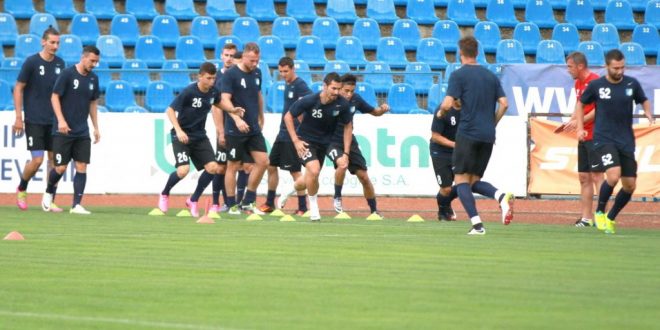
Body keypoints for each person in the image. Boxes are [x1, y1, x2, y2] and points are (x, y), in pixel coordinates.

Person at [436, 36, 514, 235]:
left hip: (468, 133)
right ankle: (499, 195)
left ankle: (477, 225)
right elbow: (504, 103)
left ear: (460, 54)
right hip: (487, 135)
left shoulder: (459, 75)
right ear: (477, 53)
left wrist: (441, 113)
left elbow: (446, 103)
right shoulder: (490, 75)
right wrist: (492, 123)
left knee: (461, 180)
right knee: (473, 181)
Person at [575, 49, 654, 234]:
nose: (620, 71)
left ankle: (610, 217)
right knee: (613, 174)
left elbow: (644, 100)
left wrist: (648, 112)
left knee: (630, 185)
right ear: (607, 66)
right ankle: (600, 211)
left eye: (622, 67)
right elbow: (581, 104)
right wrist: (580, 127)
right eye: (616, 68)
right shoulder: (596, 85)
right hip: (603, 138)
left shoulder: (631, 83)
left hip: (626, 140)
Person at [157, 62, 241, 216]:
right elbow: (170, 110)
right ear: (200, 76)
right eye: (208, 78)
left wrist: (232, 109)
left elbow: (219, 103)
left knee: (213, 168)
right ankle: (164, 193)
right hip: (182, 136)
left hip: (199, 136)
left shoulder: (213, 92)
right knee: (183, 171)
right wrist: (179, 130)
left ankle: (193, 200)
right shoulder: (189, 91)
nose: (211, 81)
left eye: (214, 78)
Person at [284, 72, 353, 221]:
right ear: (324, 86)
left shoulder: (343, 104)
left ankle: (288, 191)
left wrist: (346, 153)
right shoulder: (310, 100)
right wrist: (296, 141)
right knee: (314, 171)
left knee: (340, 165)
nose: (336, 92)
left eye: (338, 89)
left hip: (327, 143)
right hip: (306, 142)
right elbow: (288, 116)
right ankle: (314, 207)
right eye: (333, 88)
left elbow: (348, 126)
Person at [40, 45, 101, 214]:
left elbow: (93, 103)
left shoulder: (93, 79)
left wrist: (96, 127)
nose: (94, 64)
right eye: (92, 61)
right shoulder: (67, 74)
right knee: (60, 168)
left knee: (82, 166)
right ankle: (48, 193)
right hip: (63, 130)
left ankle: (76, 205)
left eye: (97, 62)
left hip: (82, 131)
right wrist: (61, 120)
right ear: (83, 57)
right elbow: (54, 97)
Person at [12, 26, 66, 212]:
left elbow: (61, 93)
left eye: (58, 43)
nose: (55, 46)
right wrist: (19, 116)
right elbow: (19, 88)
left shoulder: (60, 64)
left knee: (55, 162)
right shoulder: (31, 62)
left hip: (54, 121)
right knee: (37, 161)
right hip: (34, 119)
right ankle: (22, 188)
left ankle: (49, 199)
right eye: (52, 42)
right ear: (43, 42)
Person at [326, 73, 389, 218]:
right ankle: (337, 197)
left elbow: (375, 112)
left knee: (364, 177)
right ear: (339, 88)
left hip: (349, 140)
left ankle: (374, 211)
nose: (349, 94)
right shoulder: (329, 99)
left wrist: (382, 109)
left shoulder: (356, 100)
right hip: (331, 141)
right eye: (346, 91)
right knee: (342, 163)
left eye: (352, 91)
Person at [187, 43, 237, 216]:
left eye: (232, 55)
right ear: (221, 56)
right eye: (226, 55)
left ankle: (238, 203)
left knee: (244, 166)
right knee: (220, 167)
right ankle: (216, 203)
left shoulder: (238, 75)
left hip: (240, 129)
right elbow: (216, 107)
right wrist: (220, 130)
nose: (229, 58)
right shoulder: (218, 78)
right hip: (225, 130)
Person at [219, 42, 269, 214]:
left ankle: (248, 200)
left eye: (257, 60)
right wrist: (235, 118)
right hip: (235, 128)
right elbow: (224, 100)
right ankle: (232, 204)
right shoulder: (230, 74)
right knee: (233, 165)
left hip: (253, 127)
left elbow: (258, 94)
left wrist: (261, 116)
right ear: (245, 56)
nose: (255, 64)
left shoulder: (257, 72)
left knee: (263, 162)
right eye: (252, 60)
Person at [258, 56, 312, 215]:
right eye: (280, 71)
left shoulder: (300, 85)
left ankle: (303, 207)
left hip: (292, 134)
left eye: (286, 71)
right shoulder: (288, 84)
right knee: (271, 165)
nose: (283, 74)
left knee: (295, 171)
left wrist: (301, 129)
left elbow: (308, 105)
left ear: (293, 68)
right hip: (282, 133)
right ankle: (269, 203)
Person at [559, 52, 604, 227]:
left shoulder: (595, 82)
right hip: (583, 135)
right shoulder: (578, 83)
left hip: (596, 135)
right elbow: (579, 106)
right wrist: (572, 121)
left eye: (570, 66)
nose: (568, 70)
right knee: (584, 177)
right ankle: (586, 218)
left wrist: (578, 122)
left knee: (598, 176)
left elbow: (599, 110)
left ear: (580, 66)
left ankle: (601, 216)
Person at [430, 100, 461, 221]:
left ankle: (446, 203)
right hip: (440, 151)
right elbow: (435, 136)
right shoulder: (443, 109)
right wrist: (455, 144)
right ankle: (442, 211)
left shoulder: (469, 109)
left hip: (459, 152)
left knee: (464, 184)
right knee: (446, 188)